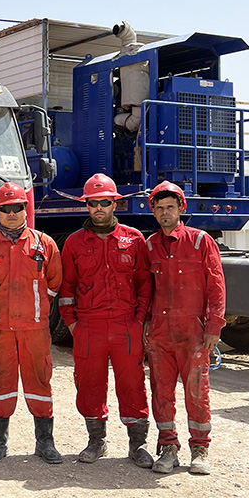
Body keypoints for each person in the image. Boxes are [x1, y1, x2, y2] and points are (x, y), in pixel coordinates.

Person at [58, 174, 154, 468]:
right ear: (86, 205)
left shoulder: (133, 239)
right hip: (89, 326)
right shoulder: (74, 243)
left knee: (132, 383)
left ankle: (137, 445)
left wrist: (139, 321)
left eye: (104, 202)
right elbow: (66, 289)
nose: (98, 208)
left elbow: (144, 286)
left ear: (115, 203)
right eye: (93, 203)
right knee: (89, 383)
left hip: (126, 324)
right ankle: (96, 441)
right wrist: (73, 325)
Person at [0, 182, 63, 464]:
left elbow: (54, 283)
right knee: (0, 384)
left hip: (34, 330)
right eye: (6, 209)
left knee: (39, 383)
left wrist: (36, 308)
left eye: (17, 207)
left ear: (26, 209)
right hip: (0, 330)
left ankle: (45, 442)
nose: (12, 214)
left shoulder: (44, 243)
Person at [145, 181, 226, 475]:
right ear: (154, 211)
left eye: (170, 207)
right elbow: (145, 289)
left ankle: (200, 449)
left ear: (181, 208)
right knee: (161, 392)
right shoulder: (149, 245)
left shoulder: (200, 241)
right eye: (159, 208)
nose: (165, 213)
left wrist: (214, 325)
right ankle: (168, 448)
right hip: (160, 332)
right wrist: (144, 326)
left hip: (193, 331)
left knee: (196, 391)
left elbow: (216, 286)